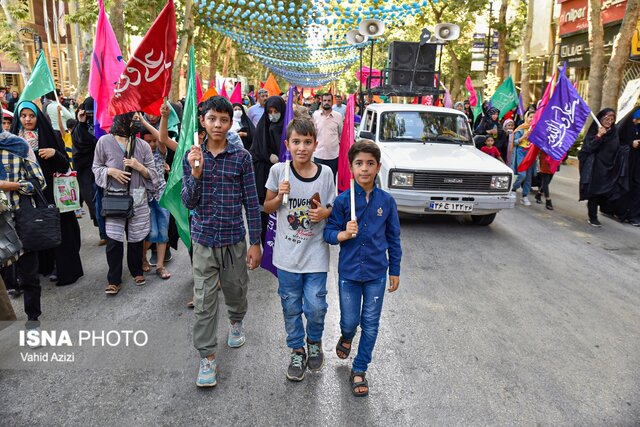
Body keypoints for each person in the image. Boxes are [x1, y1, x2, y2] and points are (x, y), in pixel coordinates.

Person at [182, 96, 262, 388]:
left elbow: (252, 202)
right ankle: (207, 358)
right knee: (203, 301)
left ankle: (236, 321)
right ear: (202, 121)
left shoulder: (241, 158)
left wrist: (256, 241)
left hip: (233, 240)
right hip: (203, 241)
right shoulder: (192, 156)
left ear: (230, 124)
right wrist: (196, 173)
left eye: (223, 120)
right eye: (212, 118)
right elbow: (189, 202)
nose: (217, 124)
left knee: (236, 290)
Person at [324, 140, 402, 397]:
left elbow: (394, 238)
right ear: (351, 168)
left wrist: (395, 269)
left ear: (378, 167)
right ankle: (346, 336)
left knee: (370, 323)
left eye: (370, 163)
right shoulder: (344, 201)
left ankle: (359, 368)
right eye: (359, 164)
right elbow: (328, 233)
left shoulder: (387, 202)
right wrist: (344, 234)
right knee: (350, 321)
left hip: (377, 274)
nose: (365, 169)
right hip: (349, 273)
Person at [263, 117, 336, 381]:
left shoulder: (326, 174)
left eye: (307, 142)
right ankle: (297, 349)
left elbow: (331, 208)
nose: (302, 147)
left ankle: (314, 341)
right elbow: (267, 207)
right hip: (287, 258)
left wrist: (323, 213)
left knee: (316, 306)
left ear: (316, 144)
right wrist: (280, 196)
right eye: (296, 142)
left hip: (315, 256)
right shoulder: (278, 172)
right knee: (291, 306)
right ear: (287, 145)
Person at [10, 101, 83, 286]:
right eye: (23, 115)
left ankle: (65, 269)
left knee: (59, 228)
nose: (27, 119)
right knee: (30, 230)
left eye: (31, 115)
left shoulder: (49, 135)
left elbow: (65, 165)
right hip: (24, 194)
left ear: (37, 117)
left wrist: (54, 153)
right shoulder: (12, 140)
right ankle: (42, 267)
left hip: (52, 193)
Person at [92, 112, 158, 294]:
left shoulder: (143, 145)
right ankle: (114, 279)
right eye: (134, 119)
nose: (137, 122)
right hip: (114, 196)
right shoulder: (104, 142)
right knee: (114, 239)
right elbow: (96, 167)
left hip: (137, 195)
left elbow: (153, 174)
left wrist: (139, 167)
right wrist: (111, 171)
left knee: (136, 237)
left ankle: (136, 270)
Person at [0, 130, 46, 329]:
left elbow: (39, 183)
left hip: (20, 216)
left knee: (29, 273)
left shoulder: (18, 145)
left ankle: (33, 318)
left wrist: (8, 185)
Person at [579, 108, 629, 227]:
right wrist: (599, 136)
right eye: (606, 119)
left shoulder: (614, 131)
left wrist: (625, 149)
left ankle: (600, 209)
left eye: (612, 119)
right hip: (595, 167)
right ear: (601, 118)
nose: (609, 121)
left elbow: (617, 147)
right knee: (594, 192)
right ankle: (593, 217)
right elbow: (588, 148)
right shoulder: (594, 130)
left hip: (609, 168)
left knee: (606, 192)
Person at [250, 95, 286, 245]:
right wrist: (267, 156)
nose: (272, 115)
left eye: (276, 111)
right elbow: (254, 151)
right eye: (269, 111)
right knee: (264, 213)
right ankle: (266, 244)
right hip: (263, 175)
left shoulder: (287, 127)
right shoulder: (262, 126)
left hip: (284, 176)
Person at [138, 128, 171, 280]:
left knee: (163, 233)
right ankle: (142, 256)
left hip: (162, 197)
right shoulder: (138, 156)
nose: (151, 144)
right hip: (146, 198)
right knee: (152, 233)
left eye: (153, 141)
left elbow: (162, 139)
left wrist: (144, 122)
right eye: (148, 141)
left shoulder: (160, 153)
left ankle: (160, 266)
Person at [616, 107, 640, 226]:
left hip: (637, 165)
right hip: (627, 163)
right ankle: (620, 212)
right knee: (625, 185)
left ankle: (633, 216)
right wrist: (631, 143)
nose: (638, 122)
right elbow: (617, 142)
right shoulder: (625, 127)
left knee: (637, 188)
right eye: (637, 120)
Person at [312, 93, 343, 178]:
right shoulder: (316, 115)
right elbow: (313, 133)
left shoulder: (338, 116)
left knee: (331, 179)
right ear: (321, 101)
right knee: (318, 179)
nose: (327, 102)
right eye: (325, 100)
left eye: (329, 100)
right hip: (318, 154)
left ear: (332, 102)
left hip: (333, 155)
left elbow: (341, 134)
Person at [511, 111, 535, 206]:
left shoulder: (535, 130)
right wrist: (523, 137)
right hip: (521, 152)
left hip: (531, 154)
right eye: (530, 117)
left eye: (534, 117)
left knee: (528, 176)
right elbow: (514, 142)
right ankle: (513, 189)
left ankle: (524, 196)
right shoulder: (520, 129)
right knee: (522, 174)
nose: (532, 119)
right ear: (526, 117)